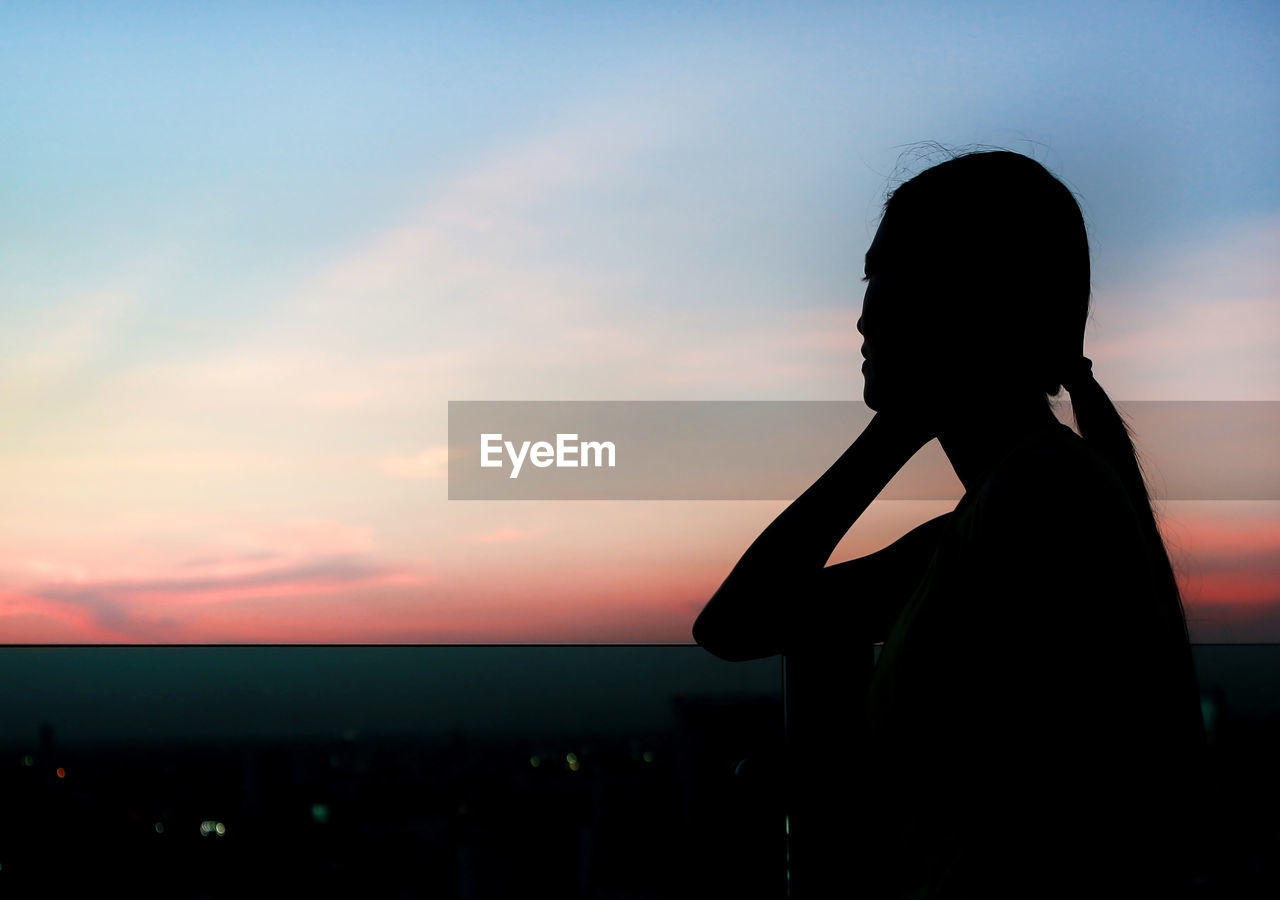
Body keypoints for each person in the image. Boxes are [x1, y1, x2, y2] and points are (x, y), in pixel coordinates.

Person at [692, 149, 1208, 897]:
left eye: (887, 278)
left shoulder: (1040, 503)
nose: (864, 316)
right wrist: (897, 428)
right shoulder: (998, 514)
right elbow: (736, 624)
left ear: (969, 296)